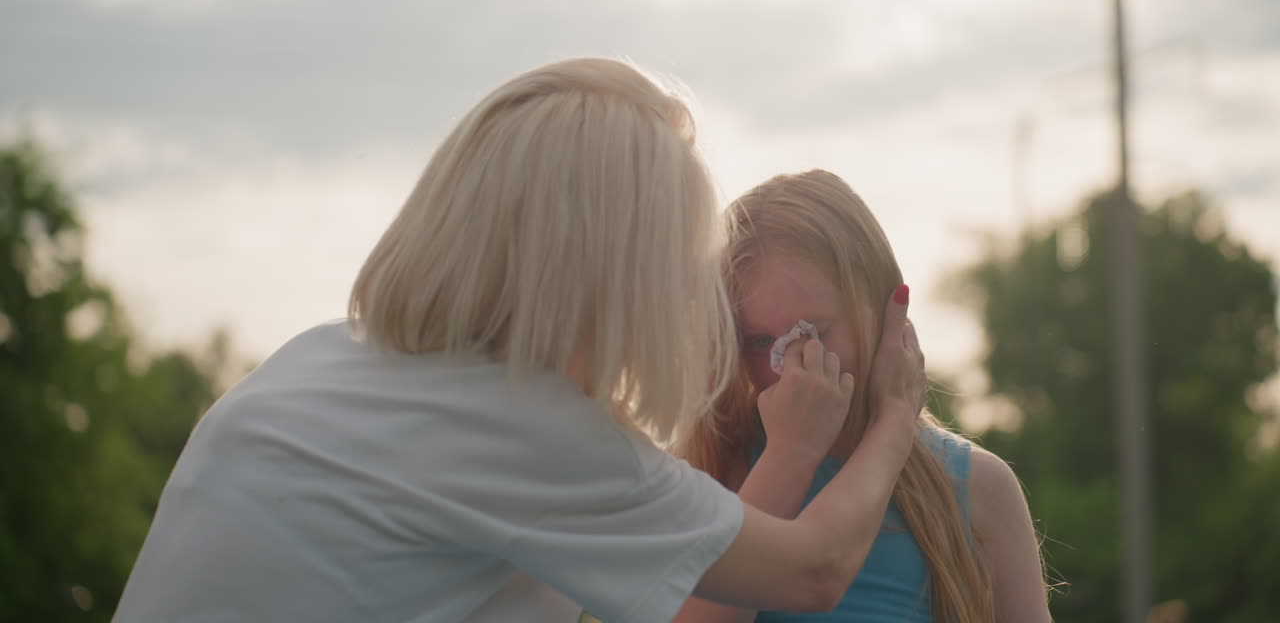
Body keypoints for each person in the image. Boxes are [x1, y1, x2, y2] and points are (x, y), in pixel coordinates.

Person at [113, 59, 926, 623]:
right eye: (677, 260)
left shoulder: (316, 362)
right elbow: (812, 570)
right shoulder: (523, 429)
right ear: (609, 268)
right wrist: (893, 418)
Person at [675, 170, 1051, 623]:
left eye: (812, 332)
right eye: (759, 341)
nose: (793, 366)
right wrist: (791, 454)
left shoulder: (975, 486)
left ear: (888, 307)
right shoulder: (709, 471)